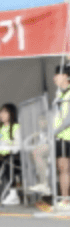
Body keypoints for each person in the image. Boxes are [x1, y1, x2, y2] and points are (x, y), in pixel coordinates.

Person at [52, 64, 70, 212]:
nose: (55, 78)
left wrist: (54, 131)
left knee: (64, 169)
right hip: (61, 137)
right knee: (62, 169)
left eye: (58, 74)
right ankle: (65, 199)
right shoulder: (61, 95)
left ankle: (65, 200)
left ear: (66, 76)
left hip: (65, 137)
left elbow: (68, 119)